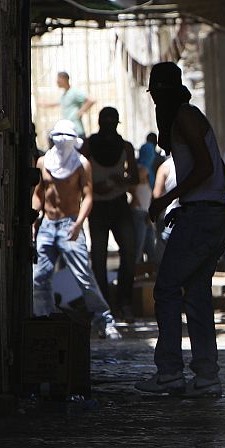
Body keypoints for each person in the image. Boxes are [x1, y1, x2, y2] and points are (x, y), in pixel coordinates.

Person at [135, 62, 225, 398]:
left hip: (202, 215)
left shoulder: (185, 117)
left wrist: (166, 200)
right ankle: (206, 377)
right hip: (206, 213)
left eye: (155, 93)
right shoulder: (183, 116)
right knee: (197, 293)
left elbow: (205, 168)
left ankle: (170, 373)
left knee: (166, 289)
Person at [31, 119, 121, 339]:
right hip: (47, 225)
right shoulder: (43, 162)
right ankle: (45, 319)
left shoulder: (81, 164)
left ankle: (104, 320)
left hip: (70, 224)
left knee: (83, 276)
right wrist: (33, 221)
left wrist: (79, 223)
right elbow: (39, 194)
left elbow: (88, 196)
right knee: (39, 278)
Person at [80, 107, 139, 323]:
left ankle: (125, 302)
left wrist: (120, 180)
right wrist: (94, 188)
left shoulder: (125, 146)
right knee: (98, 257)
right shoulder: (89, 144)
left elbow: (134, 178)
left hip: (119, 204)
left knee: (130, 253)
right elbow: (79, 173)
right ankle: (104, 306)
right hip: (97, 205)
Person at [36, 72, 96, 137]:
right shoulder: (65, 94)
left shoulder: (74, 92)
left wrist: (81, 111)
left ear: (64, 79)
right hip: (69, 131)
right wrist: (43, 104)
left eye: (59, 80)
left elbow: (91, 100)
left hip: (76, 131)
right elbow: (56, 103)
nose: (57, 82)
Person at [131, 163, 157, 264]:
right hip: (138, 213)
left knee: (150, 243)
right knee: (139, 243)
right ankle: (136, 266)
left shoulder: (148, 184)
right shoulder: (135, 186)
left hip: (147, 214)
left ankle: (149, 266)